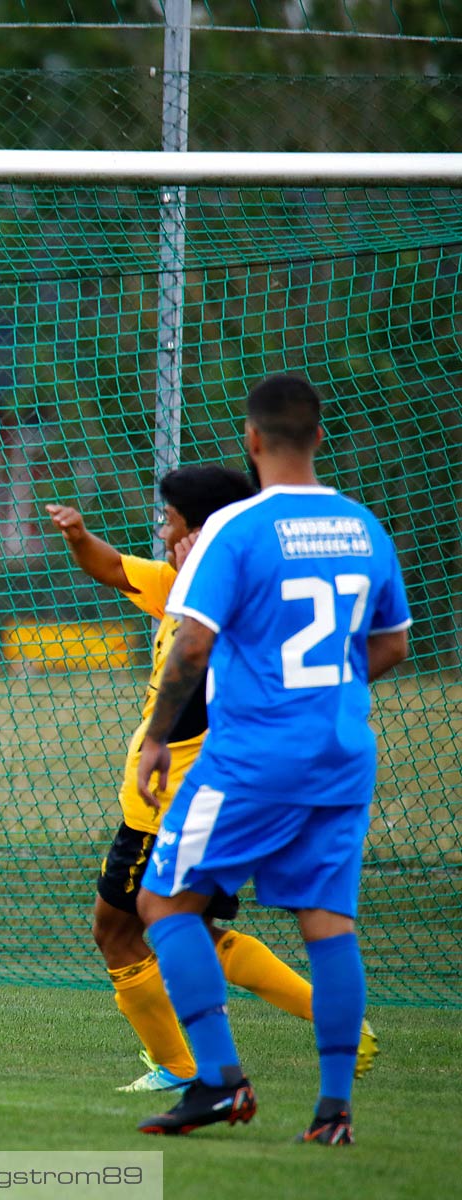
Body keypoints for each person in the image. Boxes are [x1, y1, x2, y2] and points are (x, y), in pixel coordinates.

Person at [132, 375, 411, 1144]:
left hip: (254, 756)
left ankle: (220, 1082)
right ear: (318, 437)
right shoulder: (364, 528)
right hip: (343, 756)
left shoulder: (239, 528)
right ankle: (333, 1110)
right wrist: (325, 691)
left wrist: (158, 735)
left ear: (252, 442)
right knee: (327, 924)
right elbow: (392, 644)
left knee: (163, 902)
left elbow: (191, 642)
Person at [47, 469, 377, 1094]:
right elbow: (115, 569)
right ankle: (338, 1022)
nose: (162, 534)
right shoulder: (184, 584)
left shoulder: (224, 603)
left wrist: (157, 745)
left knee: (118, 930)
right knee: (194, 929)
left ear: (198, 532)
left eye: (169, 522)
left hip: (170, 801)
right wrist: (78, 536)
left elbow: (202, 692)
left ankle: (181, 1067)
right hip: (188, 799)